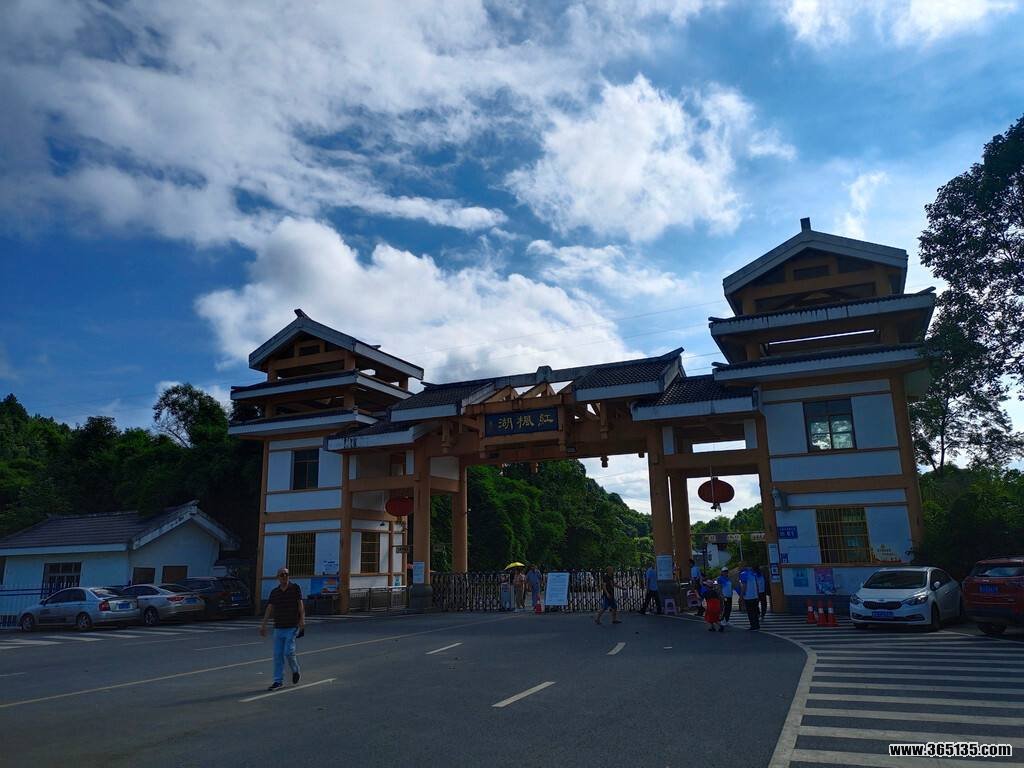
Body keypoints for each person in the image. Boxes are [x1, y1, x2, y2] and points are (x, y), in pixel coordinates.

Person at [259, 567, 305, 690]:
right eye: (282, 575)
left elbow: (300, 605)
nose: (284, 576)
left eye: (286, 574)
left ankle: (295, 670)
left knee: (288, 652)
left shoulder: (295, 588)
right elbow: (269, 608)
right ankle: (278, 681)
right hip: (278, 627)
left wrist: (302, 620)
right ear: (278, 577)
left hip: (292, 626)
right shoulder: (275, 592)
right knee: (277, 655)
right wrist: (263, 625)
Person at [737, 564, 760, 630]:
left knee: (750, 612)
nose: (739, 568)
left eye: (740, 567)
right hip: (755, 596)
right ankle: (757, 625)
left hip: (748, 596)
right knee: (755, 611)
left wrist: (741, 596)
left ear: (743, 567)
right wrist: (757, 594)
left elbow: (744, 586)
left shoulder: (743, 574)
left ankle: (753, 625)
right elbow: (757, 585)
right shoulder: (753, 574)